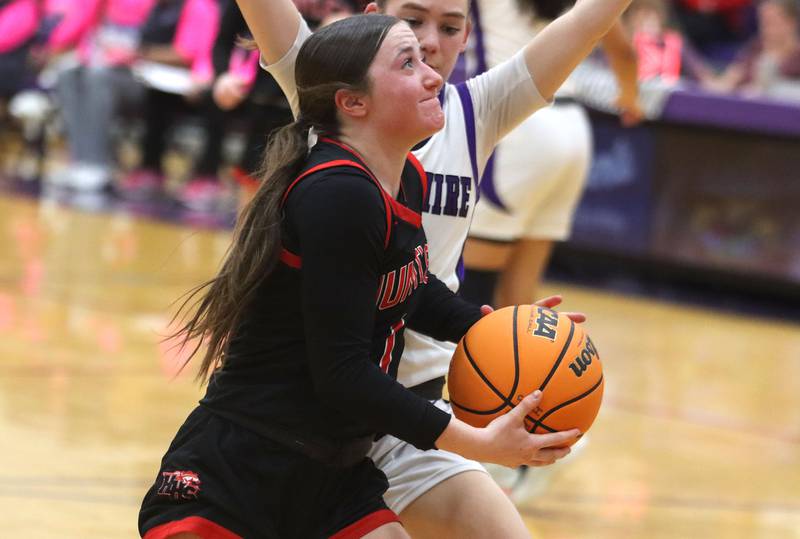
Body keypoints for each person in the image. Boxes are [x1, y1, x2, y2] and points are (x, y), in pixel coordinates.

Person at [138, 15, 579, 539]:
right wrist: (474, 442)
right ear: (353, 102)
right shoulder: (338, 193)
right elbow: (342, 372)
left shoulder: (404, 177)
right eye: (408, 63)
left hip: (333, 473)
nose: (434, 74)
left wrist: (500, 332)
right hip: (242, 472)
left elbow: (410, 285)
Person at [235, 0, 631, 537]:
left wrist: (499, 332)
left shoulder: (475, 111)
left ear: (467, 36)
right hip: (308, 410)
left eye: (449, 27)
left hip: (415, 419)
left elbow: (588, 20)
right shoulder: (334, 83)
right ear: (375, 17)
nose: (429, 42)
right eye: (413, 21)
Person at [460, 0, 642, 309]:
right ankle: (526, 360)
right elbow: (624, 51)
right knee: (520, 299)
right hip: (571, 126)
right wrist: (630, 99)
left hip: (513, 121)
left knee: (471, 290)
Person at [702, 0, 800, 98]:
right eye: (763, 21)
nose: (766, 28)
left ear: (792, 22)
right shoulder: (756, 47)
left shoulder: (796, 58)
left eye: (773, 21)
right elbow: (730, 79)